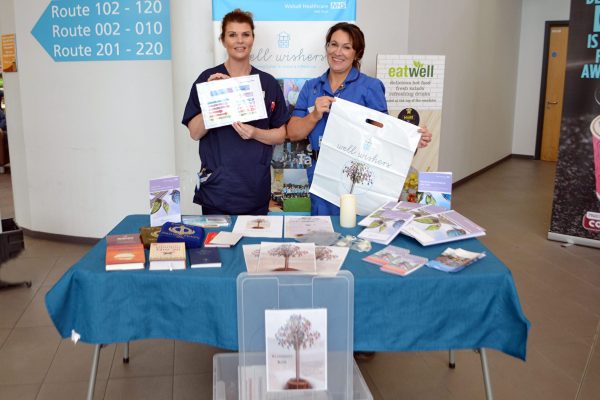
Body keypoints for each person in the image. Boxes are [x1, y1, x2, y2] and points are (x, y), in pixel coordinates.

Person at [286, 22, 432, 216]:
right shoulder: (311, 87)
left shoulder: (370, 87)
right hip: (321, 174)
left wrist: (412, 140)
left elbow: (385, 134)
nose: (338, 52)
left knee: (357, 234)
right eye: (333, 44)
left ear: (357, 53)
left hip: (359, 177)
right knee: (324, 233)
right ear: (327, 47)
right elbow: (293, 133)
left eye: (346, 47)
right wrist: (314, 116)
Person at [182, 9, 288, 215]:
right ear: (223, 40)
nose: (239, 41)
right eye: (232, 35)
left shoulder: (267, 83)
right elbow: (194, 133)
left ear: (253, 38)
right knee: (216, 246)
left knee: (254, 247)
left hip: (254, 188)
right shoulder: (207, 79)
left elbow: (281, 134)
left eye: (245, 34)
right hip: (217, 190)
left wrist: (255, 133)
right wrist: (214, 98)